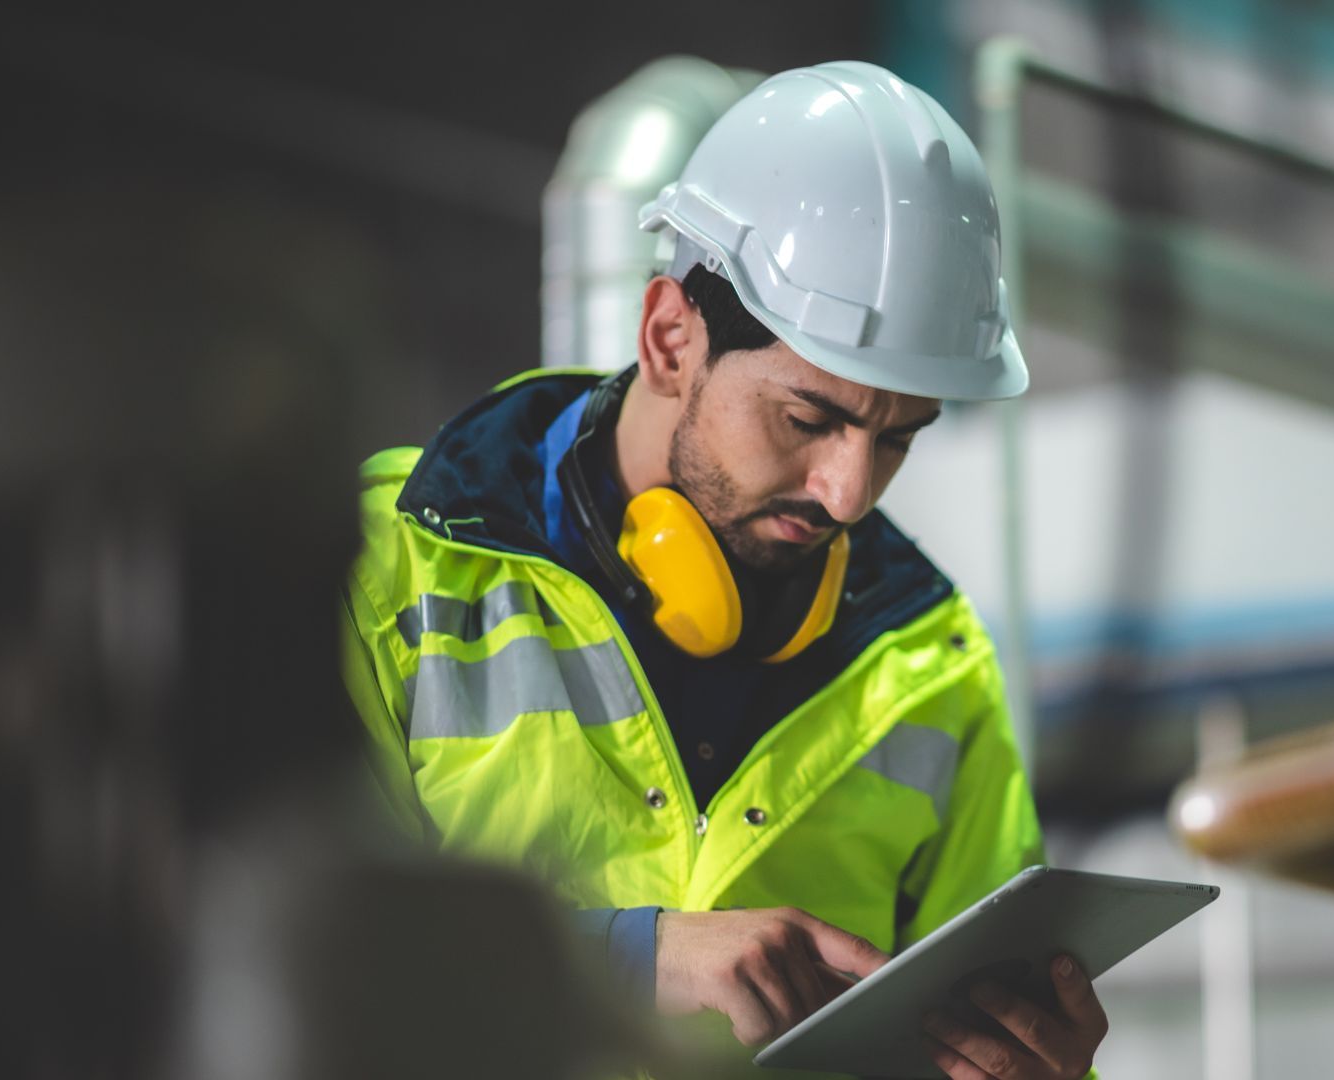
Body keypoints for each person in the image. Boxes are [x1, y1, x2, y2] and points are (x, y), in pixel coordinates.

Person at [339, 61, 1107, 1080]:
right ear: (669, 338)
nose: (847, 493)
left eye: (898, 440)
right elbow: (291, 974)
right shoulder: (393, 574)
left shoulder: (927, 661)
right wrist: (629, 957)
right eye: (808, 419)